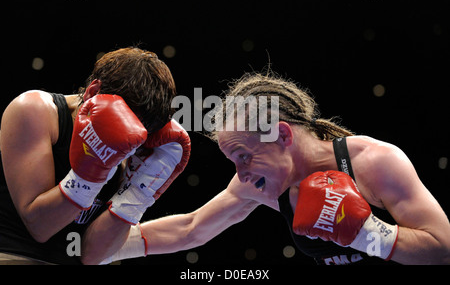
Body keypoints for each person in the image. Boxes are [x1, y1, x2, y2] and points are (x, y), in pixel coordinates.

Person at [98, 71, 450, 265]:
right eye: (233, 161)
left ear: (281, 134)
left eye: (244, 156)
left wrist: (366, 232)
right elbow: (191, 229)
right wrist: (101, 248)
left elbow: (442, 249)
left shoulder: (374, 163)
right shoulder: (259, 183)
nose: (240, 174)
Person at [0, 47, 190, 265]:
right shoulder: (36, 111)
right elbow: (39, 227)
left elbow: (93, 255)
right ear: (93, 92)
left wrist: (137, 196)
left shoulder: (132, 144)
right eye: (124, 121)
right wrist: (91, 173)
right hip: (15, 256)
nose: (132, 140)